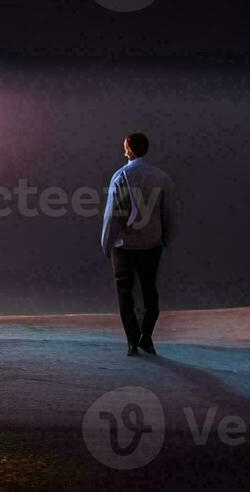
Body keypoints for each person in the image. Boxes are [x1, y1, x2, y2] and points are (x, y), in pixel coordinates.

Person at [100, 132, 176, 356]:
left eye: (125, 146)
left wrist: (106, 243)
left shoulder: (121, 175)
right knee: (149, 290)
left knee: (125, 293)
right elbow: (169, 213)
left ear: (129, 150)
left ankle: (132, 340)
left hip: (124, 246)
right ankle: (146, 335)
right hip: (151, 244)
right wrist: (167, 240)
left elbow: (112, 214)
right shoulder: (161, 177)